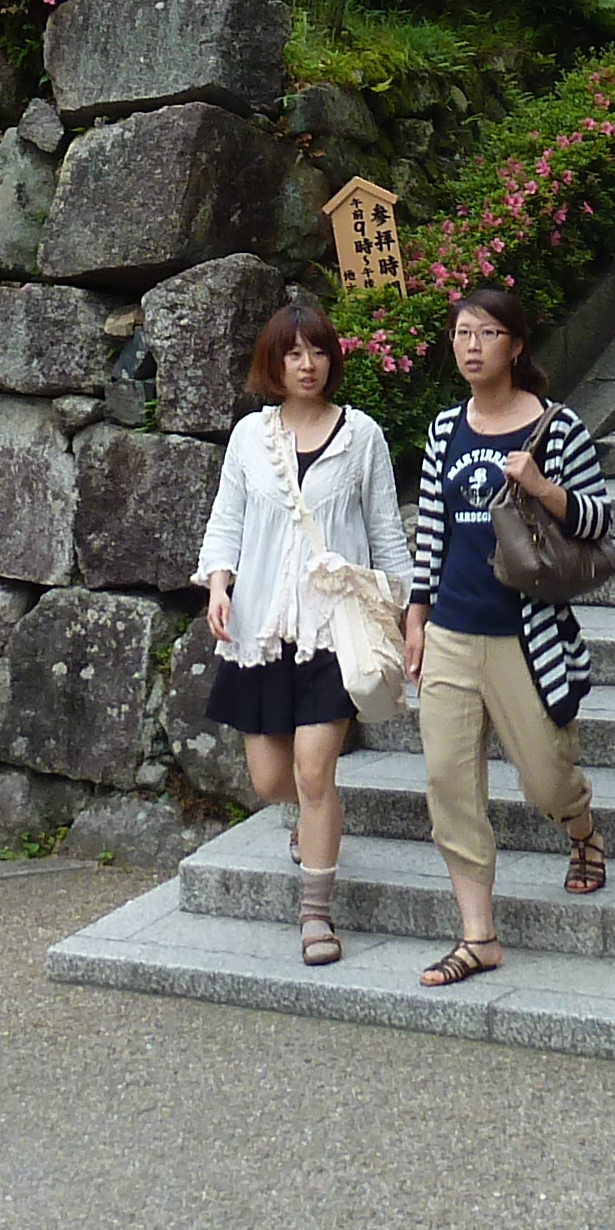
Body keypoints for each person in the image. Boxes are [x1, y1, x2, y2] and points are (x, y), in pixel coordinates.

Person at [402, 284, 612, 985]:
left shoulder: (558, 429)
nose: (471, 346)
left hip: (529, 636)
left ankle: (581, 832)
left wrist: (545, 488)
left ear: (516, 346)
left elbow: (597, 523)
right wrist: (417, 615)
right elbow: (431, 531)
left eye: (487, 333)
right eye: (462, 332)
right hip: (453, 634)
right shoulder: (442, 429)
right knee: (447, 783)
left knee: (546, 778)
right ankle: (478, 935)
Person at [196, 301, 412, 967]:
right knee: (270, 781)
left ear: (331, 359)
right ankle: (317, 821)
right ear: (275, 363)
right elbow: (226, 517)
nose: (307, 364)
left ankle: (316, 915)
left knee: (315, 772)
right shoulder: (249, 439)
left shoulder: (362, 437)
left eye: (317, 351)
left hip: (332, 630)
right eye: (293, 353)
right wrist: (218, 583)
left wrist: (407, 618)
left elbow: (386, 535)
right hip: (260, 626)